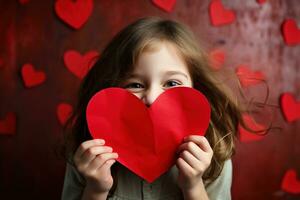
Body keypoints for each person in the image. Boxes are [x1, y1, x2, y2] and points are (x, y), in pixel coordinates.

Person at [61, 17, 244, 200]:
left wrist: (193, 186)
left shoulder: (214, 156)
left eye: (172, 83)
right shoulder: (87, 154)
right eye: (135, 84)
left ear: (197, 87)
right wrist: (96, 189)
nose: (152, 97)